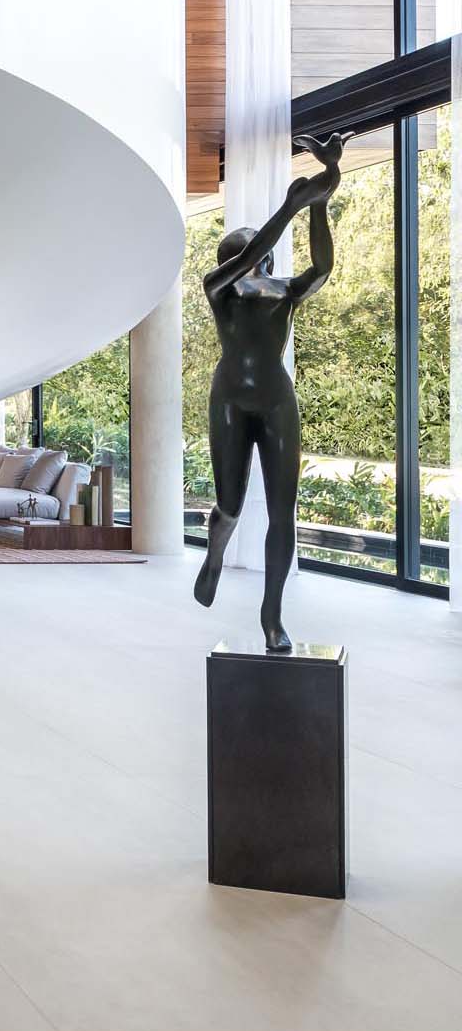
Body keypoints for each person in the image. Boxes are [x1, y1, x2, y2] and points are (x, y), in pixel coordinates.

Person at [193, 132, 346, 653]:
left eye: (251, 244)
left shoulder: (284, 292)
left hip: (278, 402)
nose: (248, 248)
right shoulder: (220, 287)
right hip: (230, 401)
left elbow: (322, 268)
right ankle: (215, 552)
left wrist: (322, 198)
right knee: (231, 505)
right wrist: (291, 204)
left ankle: (272, 616)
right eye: (242, 244)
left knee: (284, 514)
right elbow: (254, 251)